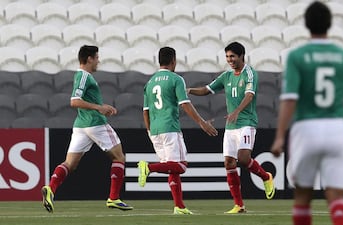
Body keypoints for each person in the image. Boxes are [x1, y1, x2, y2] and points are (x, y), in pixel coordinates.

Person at [270, 2, 343, 225]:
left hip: (306, 128)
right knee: (337, 196)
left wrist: (280, 136)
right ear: (330, 24)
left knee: (302, 194)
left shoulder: (297, 56)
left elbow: (290, 98)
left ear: (306, 24)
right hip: (336, 127)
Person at [41, 45, 132, 213]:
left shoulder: (83, 76)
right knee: (119, 157)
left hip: (81, 126)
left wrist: (101, 107)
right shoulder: (84, 76)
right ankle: (114, 198)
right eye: (97, 58)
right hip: (95, 123)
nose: (98, 61)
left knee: (70, 163)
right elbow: (74, 101)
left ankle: (51, 189)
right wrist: (99, 108)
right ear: (89, 58)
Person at [187, 42, 275, 214]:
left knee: (243, 158)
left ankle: (266, 177)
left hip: (246, 123)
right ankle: (239, 205)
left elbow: (250, 95)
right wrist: (189, 90)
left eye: (232, 56)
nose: (230, 60)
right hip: (231, 126)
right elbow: (207, 90)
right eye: (227, 57)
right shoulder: (226, 76)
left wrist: (236, 111)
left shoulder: (249, 73)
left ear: (242, 56)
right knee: (229, 163)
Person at [138, 46, 218, 215]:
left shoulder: (149, 82)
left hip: (154, 130)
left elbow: (145, 110)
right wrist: (202, 123)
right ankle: (148, 168)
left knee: (172, 168)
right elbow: (185, 104)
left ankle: (179, 207)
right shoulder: (176, 79)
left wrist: (149, 131)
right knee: (181, 166)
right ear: (174, 61)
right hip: (170, 128)